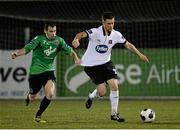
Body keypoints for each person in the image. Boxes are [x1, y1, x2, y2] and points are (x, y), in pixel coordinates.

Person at [72, 12, 149, 122]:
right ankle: (91, 97)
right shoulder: (95, 32)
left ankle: (114, 114)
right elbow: (80, 34)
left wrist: (140, 54)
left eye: (112, 23)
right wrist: (76, 40)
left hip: (106, 63)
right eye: (108, 23)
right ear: (103, 22)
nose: (111, 26)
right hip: (91, 65)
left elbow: (128, 44)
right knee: (102, 92)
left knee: (114, 85)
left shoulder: (116, 34)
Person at [11, 22, 81, 123]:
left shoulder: (59, 40)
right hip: (35, 73)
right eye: (51, 31)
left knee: (50, 94)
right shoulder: (39, 39)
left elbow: (70, 51)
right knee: (33, 97)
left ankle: (38, 116)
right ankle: (29, 95)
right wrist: (17, 54)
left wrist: (76, 59)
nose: (53, 33)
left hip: (49, 72)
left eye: (55, 31)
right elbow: (27, 48)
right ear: (45, 31)